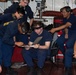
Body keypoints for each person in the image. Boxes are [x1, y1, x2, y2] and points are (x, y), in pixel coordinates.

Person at [49, 6, 76, 75]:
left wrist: (55, 29)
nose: (63, 14)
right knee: (59, 41)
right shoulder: (64, 17)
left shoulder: (73, 17)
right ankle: (66, 56)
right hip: (68, 31)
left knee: (68, 44)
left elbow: (67, 24)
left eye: (64, 12)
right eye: (62, 12)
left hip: (74, 32)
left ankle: (69, 60)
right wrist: (66, 33)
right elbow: (65, 26)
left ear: (69, 12)